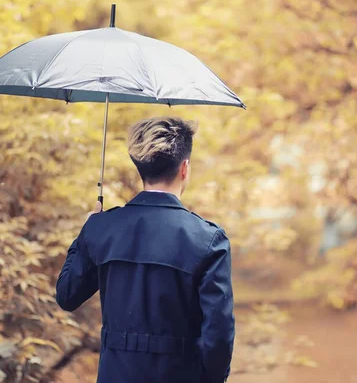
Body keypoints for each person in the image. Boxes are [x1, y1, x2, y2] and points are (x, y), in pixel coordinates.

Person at [55, 116, 235, 383]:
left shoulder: (102, 229)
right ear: (184, 168)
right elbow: (218, 335)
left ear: (140, 169)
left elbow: (67, 295)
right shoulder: (208, 239)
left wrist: (87, 232)